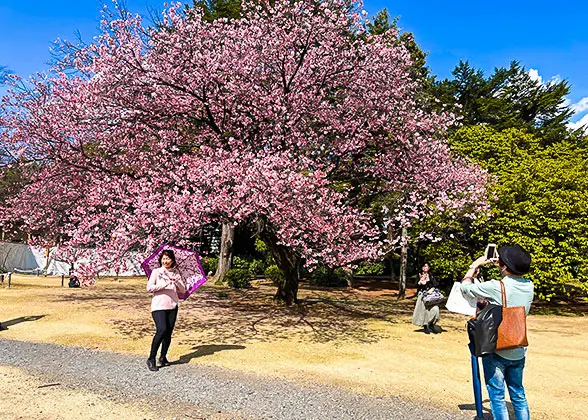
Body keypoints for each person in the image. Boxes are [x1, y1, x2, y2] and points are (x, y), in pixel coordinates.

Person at [460, 244, 533, 420]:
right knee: (518, 393)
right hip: (518, 347)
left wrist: (474, 266)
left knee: (497, 396)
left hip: (498, 347)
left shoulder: (496, 286)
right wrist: (503, 266)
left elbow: (465, 289)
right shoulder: (529, 285)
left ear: (505, 266)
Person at [146, 249, 186, 372]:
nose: (165, 261)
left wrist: (176, 281)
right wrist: (164, 284)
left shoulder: (175, 273)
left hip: (172, 306)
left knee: (168, 333)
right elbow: (149, 288)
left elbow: (183, 291)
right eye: (163, 258)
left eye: (168, 259)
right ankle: (151, 358)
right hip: (159, 307)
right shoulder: (157, 272)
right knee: (161, 330)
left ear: (172, 260)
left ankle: (163, 357)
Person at [412, 263, 441, 334]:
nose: (425, 268)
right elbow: (415, 285)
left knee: (435, 309)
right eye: (423, 266)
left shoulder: (431, 275)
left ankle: (431, 324)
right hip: (423, 295)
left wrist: (430, 284)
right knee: (423, 311)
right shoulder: (419, 275)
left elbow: (436, 284)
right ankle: (425, 326)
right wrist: (420, 282)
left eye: (426, 266)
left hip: (431, 296)